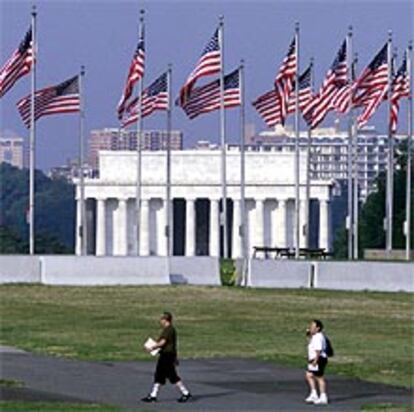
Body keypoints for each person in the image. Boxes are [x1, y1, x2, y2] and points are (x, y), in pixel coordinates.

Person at [141, 311, 192, 403]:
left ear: (165, 320)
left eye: (161, 319)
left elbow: (163, 342)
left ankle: (185, 393)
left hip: (167, 356)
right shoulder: (169, 329)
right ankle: (153, 395)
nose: (160, 321)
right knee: (159, 375)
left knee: (172, 375)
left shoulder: (169, 329)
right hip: (165, 355)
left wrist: (152, 347)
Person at [305, 319, 329, 405]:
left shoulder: (318, 337)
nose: (310, 328)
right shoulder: (315, 336)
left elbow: (318, 350)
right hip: (314, 359)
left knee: (319, 377)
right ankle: (314, 393)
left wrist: (315, 360)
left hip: (318, 359)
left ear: (318, 328)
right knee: (309, 375)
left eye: (313, 327)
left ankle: (323, 396)